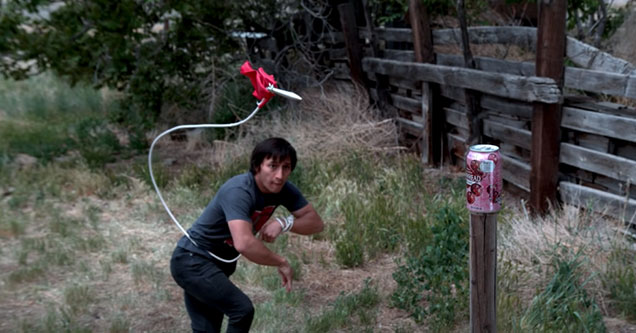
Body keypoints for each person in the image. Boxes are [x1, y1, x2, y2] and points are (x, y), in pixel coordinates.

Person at [170, 137, 324, 333]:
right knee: (241, 310)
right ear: (257, 166)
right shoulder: (239, 190)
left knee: (207, 329)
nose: (279, 175)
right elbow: (244, 243)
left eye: (286, 167)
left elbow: (316, 223)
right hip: (192, 261)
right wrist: (281, 261)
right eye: (272, 166)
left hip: (216, 266)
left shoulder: (283, 189)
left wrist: (284, 223)